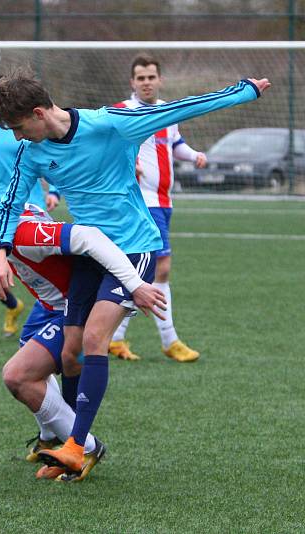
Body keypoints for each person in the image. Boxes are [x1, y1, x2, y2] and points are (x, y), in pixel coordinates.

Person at [0, 70, 270, 476]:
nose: (15, 137)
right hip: (90, 255)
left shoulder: (110, 124)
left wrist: (242, 92)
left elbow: (180, 108)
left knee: (97, 337)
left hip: (133, 247)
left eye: (17, 127)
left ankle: (76, 447)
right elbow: (11, 204)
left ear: (37, 113)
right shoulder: (30, 151)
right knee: (70, 352)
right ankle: (73, 445)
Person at [0, 179, 166, 481]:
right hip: (49, 306)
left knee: (17, 375)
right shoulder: (5, 225)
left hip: (72, 306)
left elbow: (88, 237)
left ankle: (84, 445)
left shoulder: (25, 236)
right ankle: (55, 438)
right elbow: (19, 213)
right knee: (27, 349)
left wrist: (135, 284)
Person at [109, 54, 207, 363]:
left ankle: (115, 337)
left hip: (164, 201)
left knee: (143, 271)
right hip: (141, 202)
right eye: (141, 78)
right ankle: (170, 340)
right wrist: (128, 162)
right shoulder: (124, 112)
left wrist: (194, 157)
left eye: (151, 77)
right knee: (158, 269)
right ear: (132, 82)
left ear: (159, 79)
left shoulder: (168, 111)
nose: (146, 82)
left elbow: (175, 144)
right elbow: (108, 146)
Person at [0, 75, 61, 336]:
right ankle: (13, 306)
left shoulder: (26, 126)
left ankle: (56, 312)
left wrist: (53, 190)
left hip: (31, 204)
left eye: (1, 92)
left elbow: (50, 157)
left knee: (46, 266)